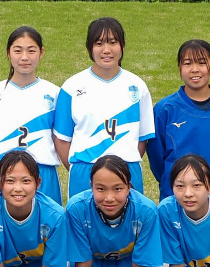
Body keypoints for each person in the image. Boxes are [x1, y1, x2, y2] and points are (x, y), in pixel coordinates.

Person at [63, 155, 164, 267]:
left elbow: (142, 262)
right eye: (100, 189)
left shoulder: (146, 210)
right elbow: (82, 260)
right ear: (91, 186)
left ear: (128, 188)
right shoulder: (77, 208)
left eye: (118, 189)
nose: (109, 198)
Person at [53, 16, 154, 198]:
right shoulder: (71, 87)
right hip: (85, 170)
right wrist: (79, 168)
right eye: (99, 43)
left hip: (127, 169)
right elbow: (61, 139)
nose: (106, 50)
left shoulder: (138, 86)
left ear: (122, 46)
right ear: (90, 48)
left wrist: (123, 162)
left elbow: (142, 139)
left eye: (113, 42)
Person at [147, 39, 210, 203]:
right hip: (178, 202)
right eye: (187, 63)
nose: (194, 69)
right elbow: (157, 161)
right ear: (179, 67)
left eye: (201, 63)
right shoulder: (165, 109)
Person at [0, 26, 63, 203]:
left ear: (41, 53)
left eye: (31, 50)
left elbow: (61, 137)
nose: (24, 57)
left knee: (47, 227)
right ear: (8, 53)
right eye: (18, 51)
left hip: (45, 173)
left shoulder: (55, 93)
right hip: (7, 173)